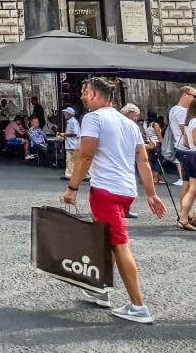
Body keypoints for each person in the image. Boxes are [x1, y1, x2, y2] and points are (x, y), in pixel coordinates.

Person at [62, 77, 166, 323]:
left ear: (97, 96)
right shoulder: (128, 123)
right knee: (104, 240)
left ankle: (138, 306)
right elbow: (142, 160)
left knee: (119, 244)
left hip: (105, 190)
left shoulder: (93, 118)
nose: (82, 97)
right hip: (127, 190)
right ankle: (100, 290)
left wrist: (72, 188)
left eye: (85, 93)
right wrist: (150, 193)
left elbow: (85, 154)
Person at [167, 87, 196, 187]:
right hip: (187, 147)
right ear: (185, 94)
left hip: (180, 146)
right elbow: (186, 131)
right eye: (194, 96)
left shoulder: (173, 109)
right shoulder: (182, 111)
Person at [176, 99, 196, 231]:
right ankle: (184, 218)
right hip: (195, 155)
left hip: (188, 154)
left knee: (189, 187)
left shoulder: (189, 121)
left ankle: (185, 217)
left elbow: (185, 142)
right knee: (193, 189)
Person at [140, 111, 165, 185]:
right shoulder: (155, 124)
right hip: (156, 143)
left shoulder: (144, 123)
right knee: (158, 160)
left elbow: (144, 133)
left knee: (151, 160)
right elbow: (159, 136)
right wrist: (163, 144)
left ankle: (151, 177)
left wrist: (148, 137)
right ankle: (155, 178)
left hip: (148, 143)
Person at [58, 107, 81, 181]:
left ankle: (70, 175)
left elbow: (74, 133)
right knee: (71, 160)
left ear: (69, 114)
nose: (64, 114)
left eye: (65, 113)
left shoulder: (73, 122)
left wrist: (64, 134)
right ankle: (71, 174)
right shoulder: (71, 122)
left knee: (71, 160)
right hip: (71, 144)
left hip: (72, 144)